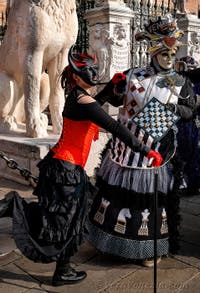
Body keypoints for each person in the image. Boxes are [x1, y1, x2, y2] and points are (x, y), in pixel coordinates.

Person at [0, 46, 162, 286]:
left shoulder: (77, 96)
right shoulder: (83, 101)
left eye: (95, 70)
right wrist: (147, 150)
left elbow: (95, 106)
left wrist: (109, 88)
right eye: (88, 71)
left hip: (64, 165)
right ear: (76, 76)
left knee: (68, 219)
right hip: (66, 168)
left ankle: (62, 269)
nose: (93, 74)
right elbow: (115, 127)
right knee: (65, 220)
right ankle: (15, 209)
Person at [88, 16, 195, 267]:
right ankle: (113, 245)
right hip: (123, 152)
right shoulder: (132, 75)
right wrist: (114, 90)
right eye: (165, 53)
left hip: (157, 153)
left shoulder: (180, 82)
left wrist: (174, 109)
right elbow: (108, 100)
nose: (170, 58)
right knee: (118, 201)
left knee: (149, 205)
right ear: (153, 52)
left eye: (172, 53)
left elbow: (190, 111)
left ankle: (149, 250)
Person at [175, 56, 200, 195]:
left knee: (193, 154)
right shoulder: (177, 81)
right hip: (181, 122)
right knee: (181, 154)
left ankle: (193, 184)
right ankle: (184, 182)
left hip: (193, 122)